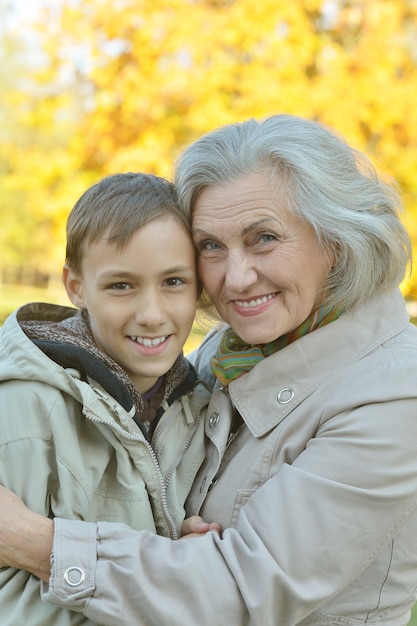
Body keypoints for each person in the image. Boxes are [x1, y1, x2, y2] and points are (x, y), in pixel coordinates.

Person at [1, 114, 417, 626]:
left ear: (334, 239)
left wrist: (31, 540)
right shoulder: (228, 351)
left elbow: (245, 587)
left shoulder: (395, 395)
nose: (236, 278)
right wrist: (178, 548)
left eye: (263, 238)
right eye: (211, 247)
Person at [0, 172, 213, 625]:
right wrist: (167, 581)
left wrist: (184, 558)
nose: (152, 314)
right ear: (76, 287)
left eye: (174, 281)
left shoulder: (197, 404)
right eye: (122, 285)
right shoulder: (26, 410)